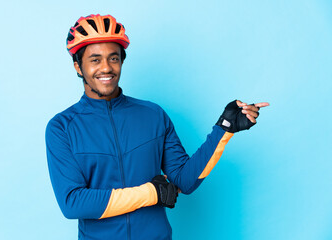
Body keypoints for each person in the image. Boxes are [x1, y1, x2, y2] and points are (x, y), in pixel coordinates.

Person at [45, 14, 269, 240]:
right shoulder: (62, 127)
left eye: (113, 58)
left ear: (121, 61)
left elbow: (184, 181)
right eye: (95, 60)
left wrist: (224, 128)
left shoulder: (152, 115)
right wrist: (151, 193)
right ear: (78, 66)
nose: (106, 68)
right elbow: (73, 203)